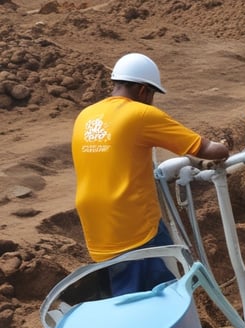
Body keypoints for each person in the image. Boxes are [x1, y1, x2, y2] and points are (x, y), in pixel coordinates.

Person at [71, 52, 229, 297]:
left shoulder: (86, 115)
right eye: (152, 95)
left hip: (95, 222)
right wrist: (224, 147)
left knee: (128, 287)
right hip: (130, 220)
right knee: (151, 295)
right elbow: (208, 149)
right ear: (143, 90)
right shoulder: (141, 114)